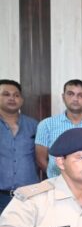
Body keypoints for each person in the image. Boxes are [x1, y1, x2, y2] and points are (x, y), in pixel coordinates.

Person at [35, 79, 82, 178]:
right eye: (70, 94)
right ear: (63, 97)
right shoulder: (46, 125)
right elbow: (41, 159)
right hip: (57, 183)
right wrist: (58, 178)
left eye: (81, 95)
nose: (75, 99)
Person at [0, 80, 39, 213]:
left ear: (22, 100)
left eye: (16, 95)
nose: (12, 98)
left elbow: (41, 157)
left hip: (29, 196)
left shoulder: (34, 125)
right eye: (6, 94)